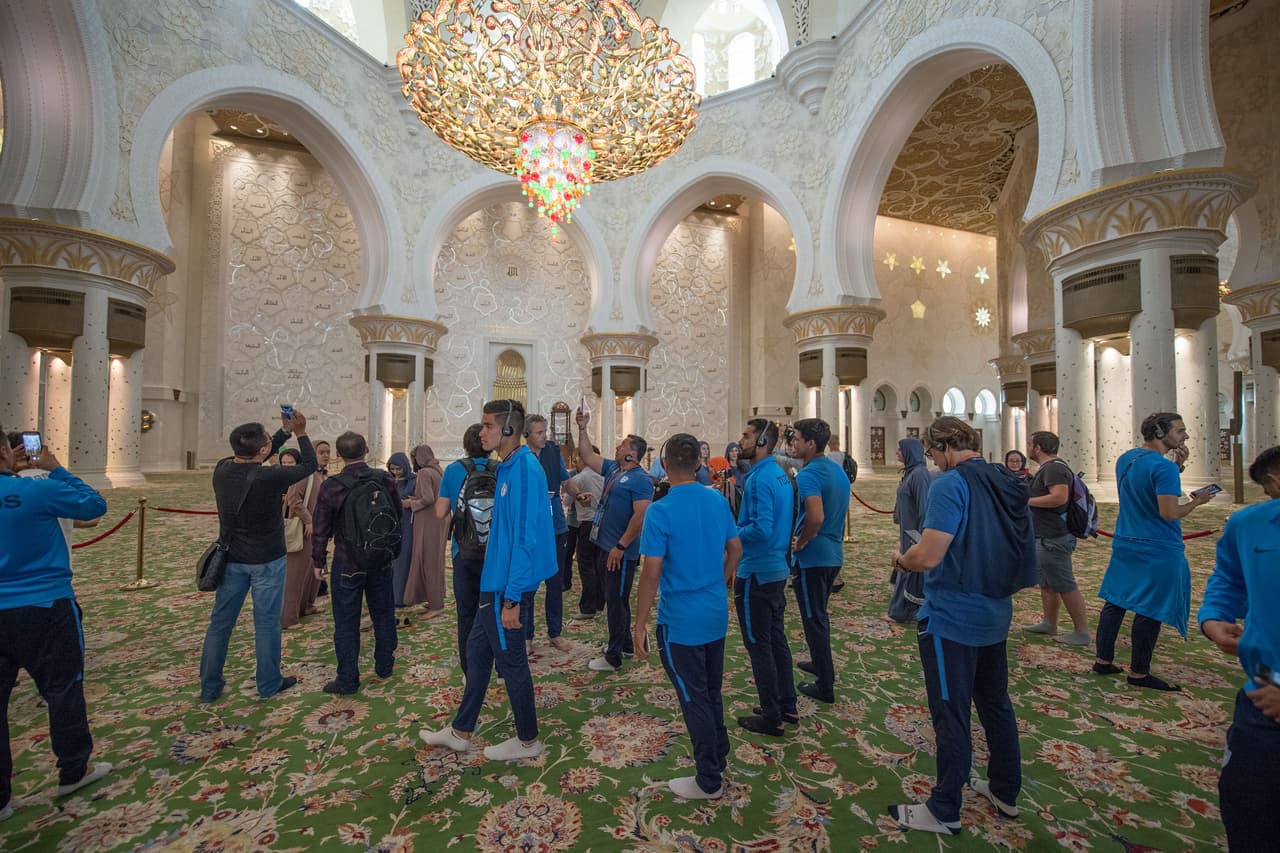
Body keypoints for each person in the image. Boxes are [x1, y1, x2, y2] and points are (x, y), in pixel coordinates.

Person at [889, 416, 1036, 835]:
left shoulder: (950, 484)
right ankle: (1005, 790)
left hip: (953, 615)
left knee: (950, 712)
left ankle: (944, 808)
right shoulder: (1004, 477)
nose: (933, 462)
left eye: (933, 453)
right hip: (996, 608)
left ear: (945, 447)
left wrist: (903, 560)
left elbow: (929, 554)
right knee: (995, 703)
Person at [422, 400, 556, 761]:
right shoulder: (508, 466)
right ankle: (460, 731)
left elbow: (526, 538)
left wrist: (512, 599)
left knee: (512, 663)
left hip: (504, 588)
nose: (481, 433)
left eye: (488, 426)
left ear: (508, 429)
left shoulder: (523, 469)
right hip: (493, 581)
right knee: (477, 654)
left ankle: (528, 740)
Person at [0, 428, 112, 820]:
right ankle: (73, 770)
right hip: (46, 606)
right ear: (5, 452)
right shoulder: (38, 490)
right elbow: (94, 506)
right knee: (63, 689)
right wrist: (56, 468)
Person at [632, 434, 742, 800]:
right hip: (714, 613)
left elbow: (651, 574)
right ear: (699, 463)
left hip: (680, 622)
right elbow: (736, 551)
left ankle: (709, 779)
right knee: (709, 691)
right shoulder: (716, 500)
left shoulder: (660, 510)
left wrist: (639, 623)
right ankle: (718, 755)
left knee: (694, 699)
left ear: (664, 465)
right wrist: (719, 582)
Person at [200, 412, 316, 703]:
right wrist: (301, 432)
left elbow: (258, 454)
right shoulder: (269, 477)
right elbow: (310, 465)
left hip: (231, 558)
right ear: (264, 450)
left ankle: (210, 686)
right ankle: (269, 682)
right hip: (267, 561)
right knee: (266, 624)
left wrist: (283, 432)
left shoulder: (222, 469)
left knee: (220, 624)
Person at [1094, 412, 1214, 691]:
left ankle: (1103, 660)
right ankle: (1139, 673)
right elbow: (1169, 513)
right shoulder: (1163, 468)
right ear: (1160, 433)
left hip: (1126, 540)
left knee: (1116, 602)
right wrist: (1198, 502)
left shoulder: (1127, 458)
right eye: (1180, 430)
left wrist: (1177, 467)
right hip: (1157, 546)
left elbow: (1144, 486)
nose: (1185, 436)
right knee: (1149, 609)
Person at [1199, 446, 1280, 850]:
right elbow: (1229, 578)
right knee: (1248, 812)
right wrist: (1214, 617)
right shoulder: (1250, 524)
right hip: (1262, 700)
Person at [310, 431, 399, 695]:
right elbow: (396, 516)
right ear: (366, 450)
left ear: (338, 455)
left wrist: (318, 560)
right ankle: (385, 666)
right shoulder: (384, 478)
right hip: (380, 558)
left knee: (346, 623)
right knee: (384, 614)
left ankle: (348, 679)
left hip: (347, 561)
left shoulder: (332, 485)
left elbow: (320, 528)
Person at [576, 411, 654, 673]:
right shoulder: (613, 469)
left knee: (617, 602)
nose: (618, 447)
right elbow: (587, 455)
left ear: (632, 453)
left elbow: (640, 515)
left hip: (620, 552)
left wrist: (621, 546)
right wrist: (582, 428)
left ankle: (614, 656)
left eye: (623, 445)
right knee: (615, 599)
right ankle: (626, 645)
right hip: (604, 546)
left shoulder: (641, 479)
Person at [733, 418, 797, 737]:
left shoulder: (759, 479)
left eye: (747, 436)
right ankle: (787, 704)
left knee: (759, 645)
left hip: (757, 571)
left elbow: (761, 529)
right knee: (775, 640)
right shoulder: (779, 473)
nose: (741, 441)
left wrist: (731, 534)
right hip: (776, 569)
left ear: (762, 443)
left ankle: (772, 716)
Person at [788, 418, 850, 705]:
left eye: (797, 439)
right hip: (833, 553)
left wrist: (801, 541)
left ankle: (825, 684)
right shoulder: (836, 470)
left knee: (814, 620)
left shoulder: (809, 475)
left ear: (811, 444)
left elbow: (816, 517)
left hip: (814, 557)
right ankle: (818, 662)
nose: (793, 443)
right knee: (817, 615)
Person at [1021, 431, 1089, 645]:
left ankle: (1081, 631)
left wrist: (1026, 501)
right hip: (1045, 535)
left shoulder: (1054, 469)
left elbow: (1059, 497)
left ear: (1038, 447)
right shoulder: (1049, 468)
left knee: (1064, 583)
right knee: (1048, 582)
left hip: (1054, 537)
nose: (1028, 448)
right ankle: (1049, 622)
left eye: (1030, 444)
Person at [435, 424, 492, 674]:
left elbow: (440, 512)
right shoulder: (500, 468)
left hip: (464, 551)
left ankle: (471, 671)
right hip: (495, 553)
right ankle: (500, 670)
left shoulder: (453, 470)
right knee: (495, 610)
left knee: (466, 613)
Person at [522, 414, 571, 654]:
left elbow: (566, 481)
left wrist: (579, 494)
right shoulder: (521, 458)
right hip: (531, 528)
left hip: (556, 526)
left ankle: (555, 632)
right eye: (539, 432)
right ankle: (527, 635)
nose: (544, 436)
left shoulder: (553, 452)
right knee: (529, 584)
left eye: (545, 431)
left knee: (555, 582)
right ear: (527, 435)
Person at [281, 445, 325, 630]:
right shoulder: (300, 476)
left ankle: (306, 605)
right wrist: (308, 520)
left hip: (314, 530)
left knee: (311, 571)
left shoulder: (315, 475)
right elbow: (294, 500)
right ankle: (288, 618)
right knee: (295, 574)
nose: (325, 456)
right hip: (302, 530)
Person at [888, 437, 931, 623]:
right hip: (907, 531)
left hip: (914, 533)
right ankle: (899, 610)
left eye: (900, 449)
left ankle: (902, 612)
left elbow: (924, 508)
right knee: (903, 567)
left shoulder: (919, 474)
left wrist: (918, 537)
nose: (897, 452)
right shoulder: (911, 473)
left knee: (909, 568)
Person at [403, 444, 448, 619]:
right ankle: (435, 599)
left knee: (429, 562)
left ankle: (436, 605)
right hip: (439, 519)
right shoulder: (438, 470)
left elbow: (428, 499)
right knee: (435, 561)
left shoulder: (424, 472)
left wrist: (410, 504)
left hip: (428, 521)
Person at [565, 446, 605, 620]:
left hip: (586, 523)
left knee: (586, 565)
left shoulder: (579, 478)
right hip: (602, 523)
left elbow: (567, 500)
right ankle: (599, 602)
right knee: (598, 564)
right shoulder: (604, 476)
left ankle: (588, 607)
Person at [387, 451, 417, 626]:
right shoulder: (389, 480)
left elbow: (419, 500)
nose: (396, 472)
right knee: (390, 562)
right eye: (392, 469)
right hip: (390, 525)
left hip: (407, 525)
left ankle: (401, 597)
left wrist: (410, 503)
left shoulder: (414, 480)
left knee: (403, 561)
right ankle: (391, 595)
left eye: (399, 468)